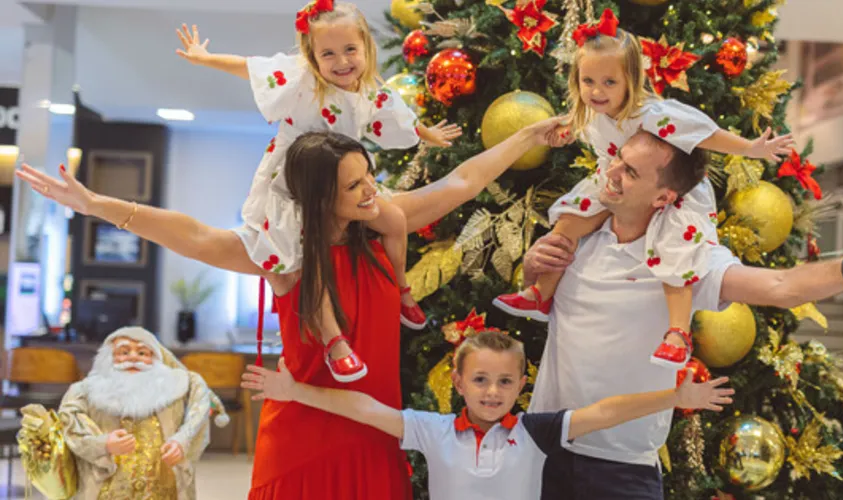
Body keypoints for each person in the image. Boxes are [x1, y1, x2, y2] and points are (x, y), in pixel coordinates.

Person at [16, 116, 565, 499]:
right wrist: (93, 204)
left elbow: (462, 181)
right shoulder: (283, 258)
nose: (372, 190)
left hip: (373, 431)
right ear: (321, 195)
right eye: (355, 185)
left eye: (368, 174)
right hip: (303, 434)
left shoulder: (380, 233)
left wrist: (525, 134)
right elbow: (194, 235)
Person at [519, 130, 843, 499]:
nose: (610, 174)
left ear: (664, 196)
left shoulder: (685, 258)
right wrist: (532, 266)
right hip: (541, 447)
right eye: (618, 160)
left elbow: (780, 287)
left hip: (621, 468)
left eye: (630, 172)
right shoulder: (579, 240)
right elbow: (535, 301)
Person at [174, 0, 464, 380]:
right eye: (328, 53)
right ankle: (333, 342)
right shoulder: (304, 83)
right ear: (312, 57)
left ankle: (401, 291)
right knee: (308, 259)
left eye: (350, 50)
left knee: (393, 219)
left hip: (343, 186)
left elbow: (394, 117)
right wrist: (204, 57)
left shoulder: (369, 93)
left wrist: (427, 133)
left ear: (366, 50)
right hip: (299, 184)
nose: (341, 61)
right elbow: (250, 67)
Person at [492, 8, 793, 370]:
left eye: (608, 83)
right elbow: (581, 127)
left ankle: (678, 334)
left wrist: (750, 148)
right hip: (615, 178)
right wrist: (563, 133)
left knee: (675, 245)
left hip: (668, 190)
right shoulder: (591, 112)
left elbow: (704, 133)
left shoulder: (653, 115)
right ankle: (542, 293)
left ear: (631, 80)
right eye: (588, 81)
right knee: (570, 218)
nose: (596, 92)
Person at [240, 329, 734, 500]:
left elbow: (603, 412)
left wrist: (672, 399)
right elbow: (365, 409)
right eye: (480, 380)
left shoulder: (535, 432)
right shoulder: (433, 432)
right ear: (458, 383)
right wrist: (295, 390)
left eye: (504, 382)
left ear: (522, 385)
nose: (492, 392)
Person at [29, 327, 225, 500]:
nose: (133, 357)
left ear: (157, 358)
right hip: (104, 490)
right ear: (108, 358)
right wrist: (103, 444)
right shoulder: (84, 391)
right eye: (123, 352)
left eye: (142, 352)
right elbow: (69, 429)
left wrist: (181, 441)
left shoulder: (179, 386)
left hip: (163, 488)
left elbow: (198, 411)